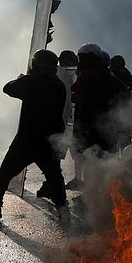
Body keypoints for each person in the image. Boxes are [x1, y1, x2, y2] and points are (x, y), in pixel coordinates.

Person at [0, 49, 69, 219]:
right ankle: (64, 211)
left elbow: (7, 88)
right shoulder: (58, 84)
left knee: (6, 172)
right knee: (54, 177)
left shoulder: (32, 81)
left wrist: (22, 77)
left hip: (27, 139)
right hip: (49, 140)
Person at [69, 43, 126, 183]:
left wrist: (81, 133)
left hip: (93, 130)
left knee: (92, 165)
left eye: (81, 57)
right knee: (105, 166)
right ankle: (102, 197)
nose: (79, 61)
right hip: (109, 129)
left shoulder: (88, 76)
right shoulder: (109, 76)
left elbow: (85, 106)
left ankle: (93, 199)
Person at [39, 49, 79, 197]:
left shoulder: (59, 74)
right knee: (77, 154)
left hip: (62, 121)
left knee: (54, 155)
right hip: (75, 121)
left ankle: (53, 186)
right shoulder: (79, 74)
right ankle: (76, 180)